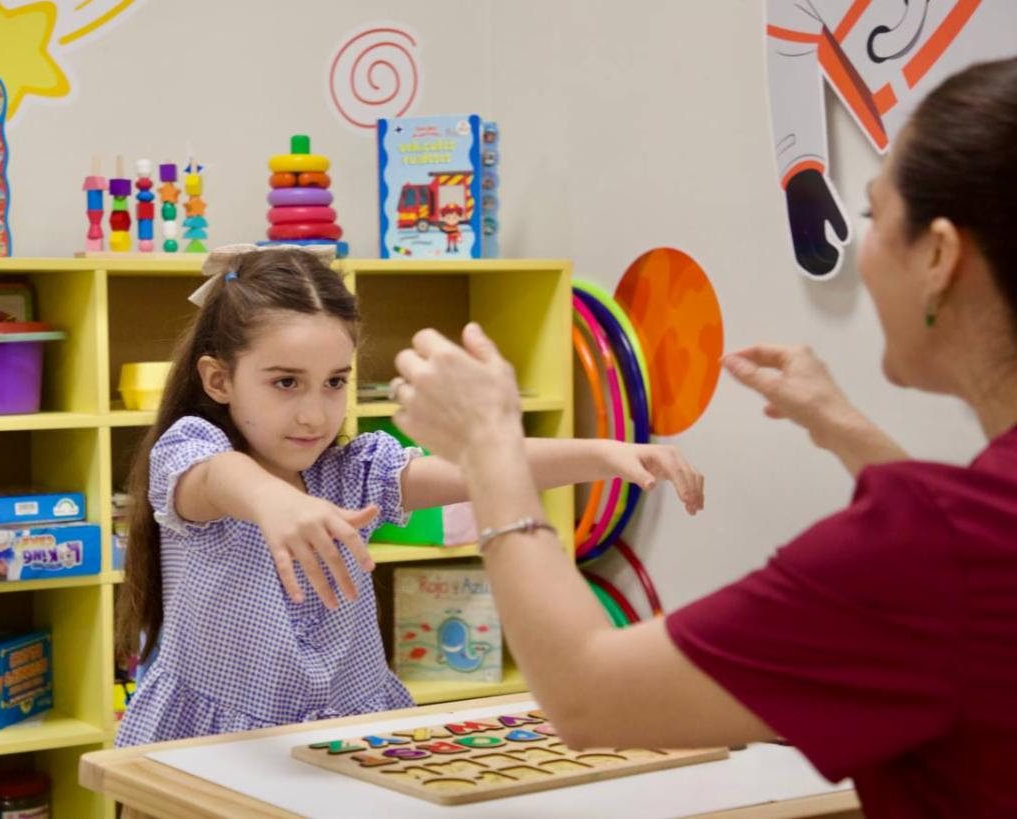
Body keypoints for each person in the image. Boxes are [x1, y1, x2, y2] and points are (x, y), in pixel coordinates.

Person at [391, 57, 1017, 816]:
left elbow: (590, 696)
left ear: (942, 256)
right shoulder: (960, 531)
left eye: (873, 214)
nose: (861, 246)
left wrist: (489, 446)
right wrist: (842, 426)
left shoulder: (926, 547)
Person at [114, 248, 705, 746]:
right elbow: (220, 478)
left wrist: (604, 454)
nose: (315, 412)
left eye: (335, 382)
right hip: (225, 746)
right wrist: (276, 504)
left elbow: (479, 466)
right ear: (219, 380)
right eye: (285, 382)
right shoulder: (193, 452)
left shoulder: (349, 472)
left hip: (350, 733)